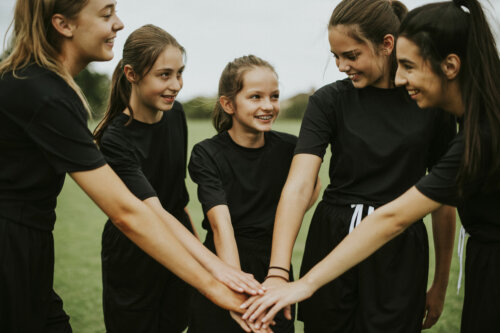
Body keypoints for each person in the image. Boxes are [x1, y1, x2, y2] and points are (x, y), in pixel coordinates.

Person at [241, 0, 500, 332]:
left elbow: (404, 214)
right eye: (335, 56)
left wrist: (439, 282)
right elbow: (299, 185)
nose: (402, 79)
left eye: (350, 55)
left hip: (404, 250)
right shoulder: (331, 100)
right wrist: (279, 270)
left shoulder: (456, 118)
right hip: (337, 238)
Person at [0, 1, 251, 331]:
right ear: (63, 24)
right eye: (106, 14)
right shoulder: (43, 93)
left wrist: (219, 270)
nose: (118, 23)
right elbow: (128, 212)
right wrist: (216, 286)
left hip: (28, 248)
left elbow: (169, 205)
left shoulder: (37, 85)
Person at [92, 25, 262, 333]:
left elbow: (176, 199)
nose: (176, 85)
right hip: (133, 253)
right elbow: (153, 212)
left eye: (179, 73)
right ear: (131, 74)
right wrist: (216, 269)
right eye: (164, 75)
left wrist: (200, 255)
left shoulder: (176, 114)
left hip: (178, 240)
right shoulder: (115, 138)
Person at [187, 55, 320, 333]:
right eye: (255, 97)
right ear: (228, 104)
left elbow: (312, 187)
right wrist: (238, 289)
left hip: (275, 265)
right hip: (224, 267)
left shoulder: (289, 149)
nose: (268, 106)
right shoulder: (207, 153)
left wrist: (278, 224)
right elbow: (220, 226)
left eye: (274, 96)